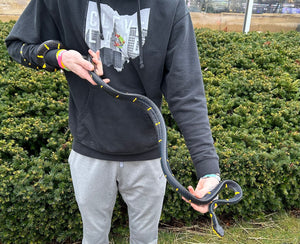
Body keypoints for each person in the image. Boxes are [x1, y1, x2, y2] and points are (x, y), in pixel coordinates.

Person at [6, 0, 220, 243]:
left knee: (145, 240)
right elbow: (18, 45)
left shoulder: (169, 6)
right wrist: (60, 57)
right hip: (90, 151)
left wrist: (208, 171)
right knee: (94, 238)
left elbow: (187, 92)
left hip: (148, 157)